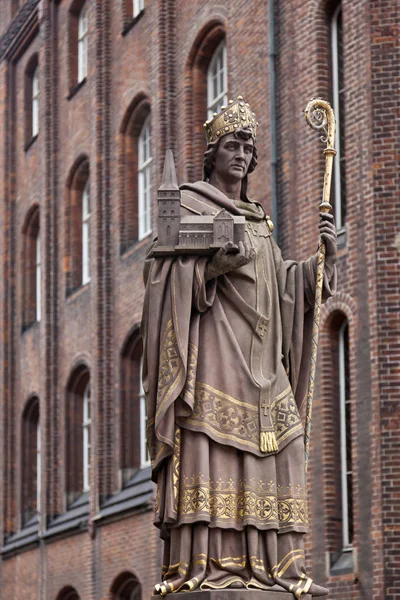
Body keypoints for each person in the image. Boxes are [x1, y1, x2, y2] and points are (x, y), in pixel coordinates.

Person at [141, 96, 337, 597]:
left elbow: (280, 285)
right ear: (213, 153)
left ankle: (281, 571)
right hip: (214, 359)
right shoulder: (189, 203)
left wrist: (317, 268)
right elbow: (160, 276)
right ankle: (207, 567)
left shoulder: (258, 218)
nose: (242, 153)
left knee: (287, 449)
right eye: (232, 144)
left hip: (263, 361)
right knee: (213, 452)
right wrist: (212, 268)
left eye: (248, 146)